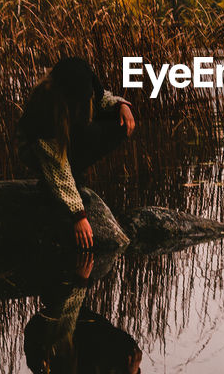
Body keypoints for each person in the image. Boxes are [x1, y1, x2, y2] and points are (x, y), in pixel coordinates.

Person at [17, 56, 136, 249]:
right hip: (36, 151)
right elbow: (58, 167)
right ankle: (54, 187)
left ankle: (76, 173)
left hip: (69, 134)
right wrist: (78, 215)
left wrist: (121, 105)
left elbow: (101, 96)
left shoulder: (83, 80)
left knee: (119, 123)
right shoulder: (44, 110)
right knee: (59, 171)